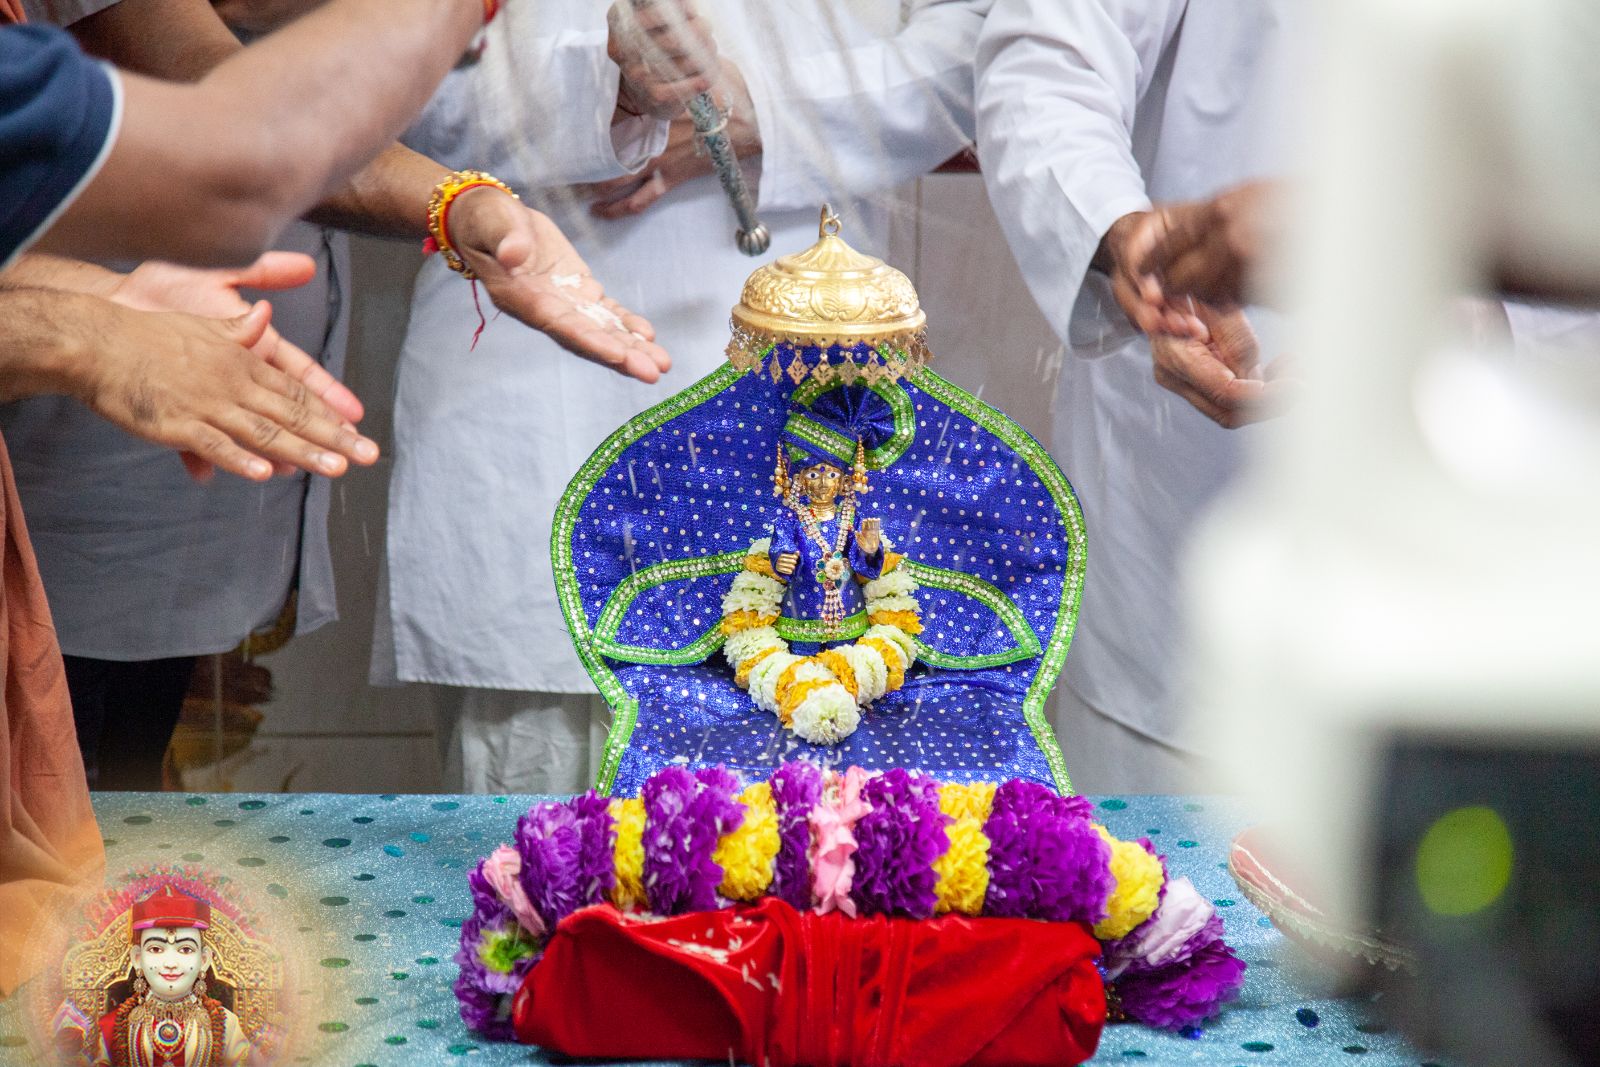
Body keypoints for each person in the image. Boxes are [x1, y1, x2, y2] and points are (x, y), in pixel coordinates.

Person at [0, 0, 712, 791]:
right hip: (76, 506)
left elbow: (237, 141)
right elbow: (230, 150)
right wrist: (80, 332)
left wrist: (461, 206)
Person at [380, 0, 992, 794]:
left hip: (816, 380)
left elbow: (988, 37)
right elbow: (377, 85)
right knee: (541, 867)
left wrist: (759, 105)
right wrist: (604, 95)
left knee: (821, 870)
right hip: (534, 385)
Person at [976, 0, 1304, 791]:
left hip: (1529, 541)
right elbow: (1046, 57)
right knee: (1169, 901)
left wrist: (1478, 310)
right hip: (1183, 516)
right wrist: (1127, 236)